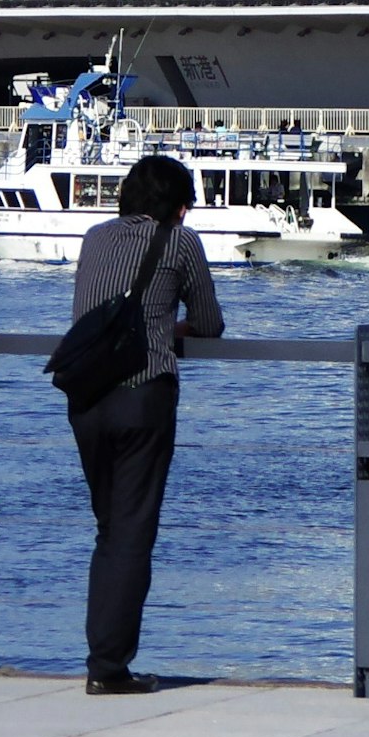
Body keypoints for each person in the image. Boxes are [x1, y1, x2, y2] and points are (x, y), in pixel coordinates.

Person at [69, 154, 221, 696]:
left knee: (110, 527)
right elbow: (209, 323)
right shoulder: (181, 241)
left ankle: (102, 658)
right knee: (132, 533)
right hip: (143, 393)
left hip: (86, 397)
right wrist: (165, 326)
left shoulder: (94, 236)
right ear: (179, 205)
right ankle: (108, 668)